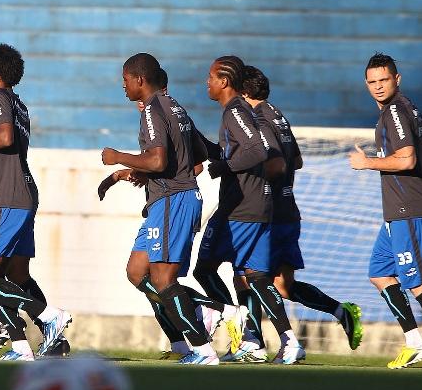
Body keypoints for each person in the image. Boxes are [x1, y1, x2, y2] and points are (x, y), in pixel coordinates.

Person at [230, 65, 364, 359]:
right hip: (289, 209)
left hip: (271, 211)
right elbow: (298, 160)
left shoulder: (259, 119)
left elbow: (276, 164)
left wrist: (242, 170)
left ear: (243, 92)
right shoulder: (278, 115)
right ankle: (340, 311)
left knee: (250, 276)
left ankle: (265, 342)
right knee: (283, 286)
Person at [100, 53, 224, 365]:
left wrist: (119, 157)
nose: (124, 87)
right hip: (167, 198)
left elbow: (157, 159)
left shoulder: (153, 109)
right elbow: (200, 153)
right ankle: (190, 330)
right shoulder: (175, 106)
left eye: (125, 80)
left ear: (139, 79)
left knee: (163, 279)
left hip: (173, 200)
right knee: (137, 271)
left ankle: (203, 345)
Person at [349, 53, 422, 371]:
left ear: (396, 79)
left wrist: (368, 162)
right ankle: (415, 343)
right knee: (380, 273)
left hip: (409, 208)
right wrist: (415, 173)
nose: (378, 86)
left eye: (383, 80)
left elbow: (407, 159)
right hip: (397, 210)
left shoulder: (396, 111)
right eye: (372, 81)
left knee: (417, 281)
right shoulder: (404, 107)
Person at [0, 44, 72, 360]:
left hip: (6, 197)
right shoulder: (19, 104)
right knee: (17, 275)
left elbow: (5, 138)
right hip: (20, 192)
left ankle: (50, 316)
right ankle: (29, 345)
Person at [194, 55, 305, 364]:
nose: (207, 82)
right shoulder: (238, 113)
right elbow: (236, 150)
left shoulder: (235, 112)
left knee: (203, 268)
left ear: (224, 81)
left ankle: (238, 325)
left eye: (211, 77)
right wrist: (200, 143)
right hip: (257, 206)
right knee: (255, 276)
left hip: (241, 208)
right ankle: (284, 341)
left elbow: (257, 151)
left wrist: (221, 168)